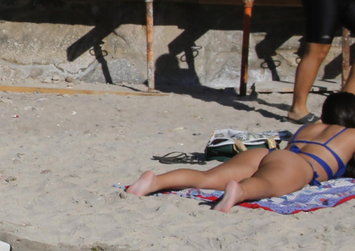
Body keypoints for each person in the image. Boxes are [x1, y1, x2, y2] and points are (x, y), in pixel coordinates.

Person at [126, 92, 355, 212]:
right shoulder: (351, 135)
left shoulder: (309, 127)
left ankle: (155, 181)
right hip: (300, 165)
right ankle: (240, 191)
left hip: (265, 153)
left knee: (208, 177)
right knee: (269, 185)